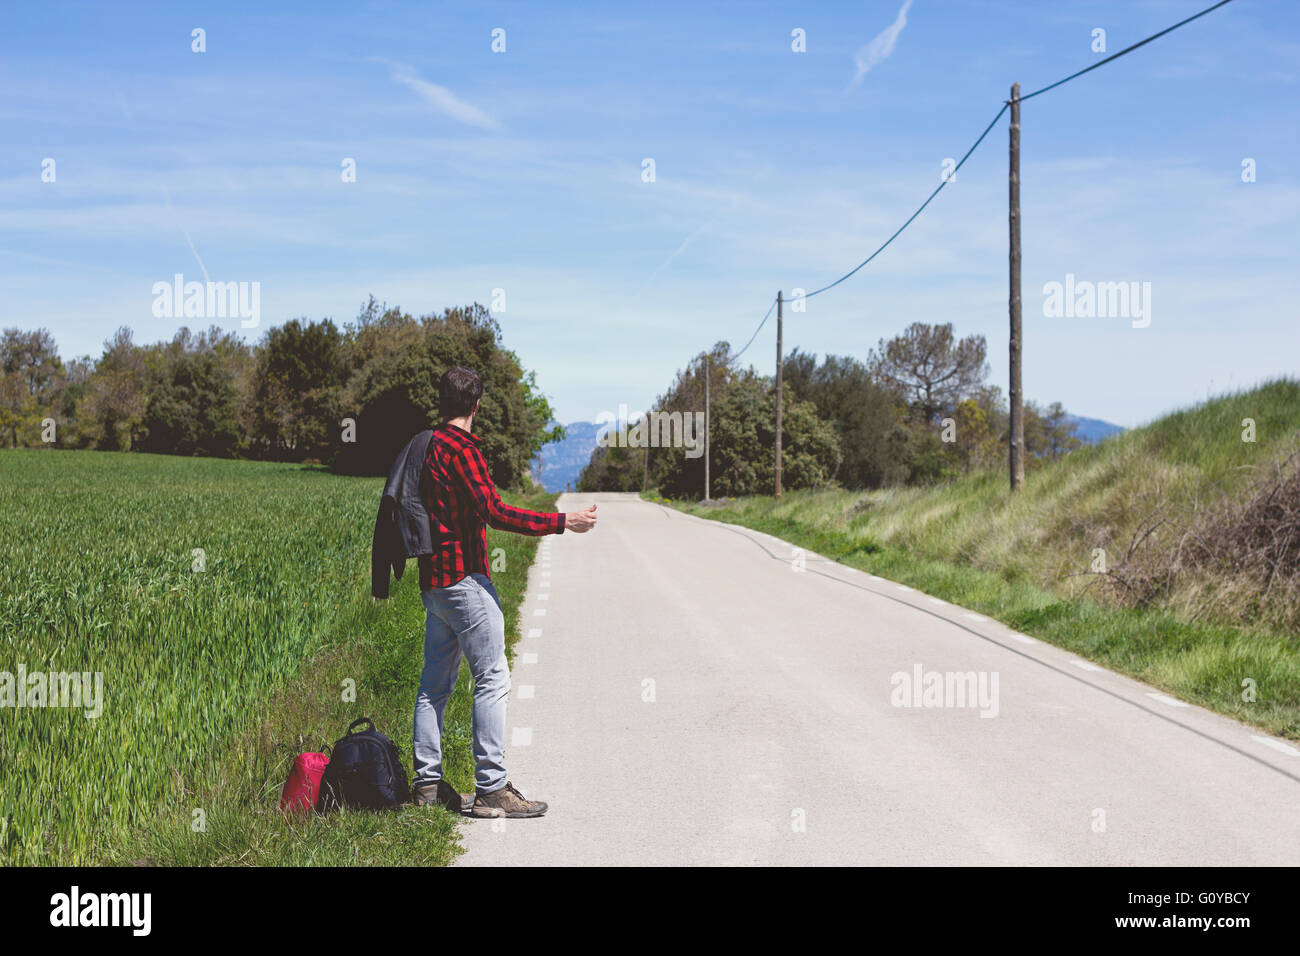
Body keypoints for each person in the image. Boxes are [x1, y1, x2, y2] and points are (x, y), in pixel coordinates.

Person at [411, 366, 597, 818]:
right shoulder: (463, 449)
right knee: (493, 679)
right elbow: (494, 511)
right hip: (465, 581)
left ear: (443, 401)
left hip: (433, 582)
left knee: (433, 686)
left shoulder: (427, 444)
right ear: (476, 405)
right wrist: (561, 522)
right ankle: (492, 789)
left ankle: (427, 787)